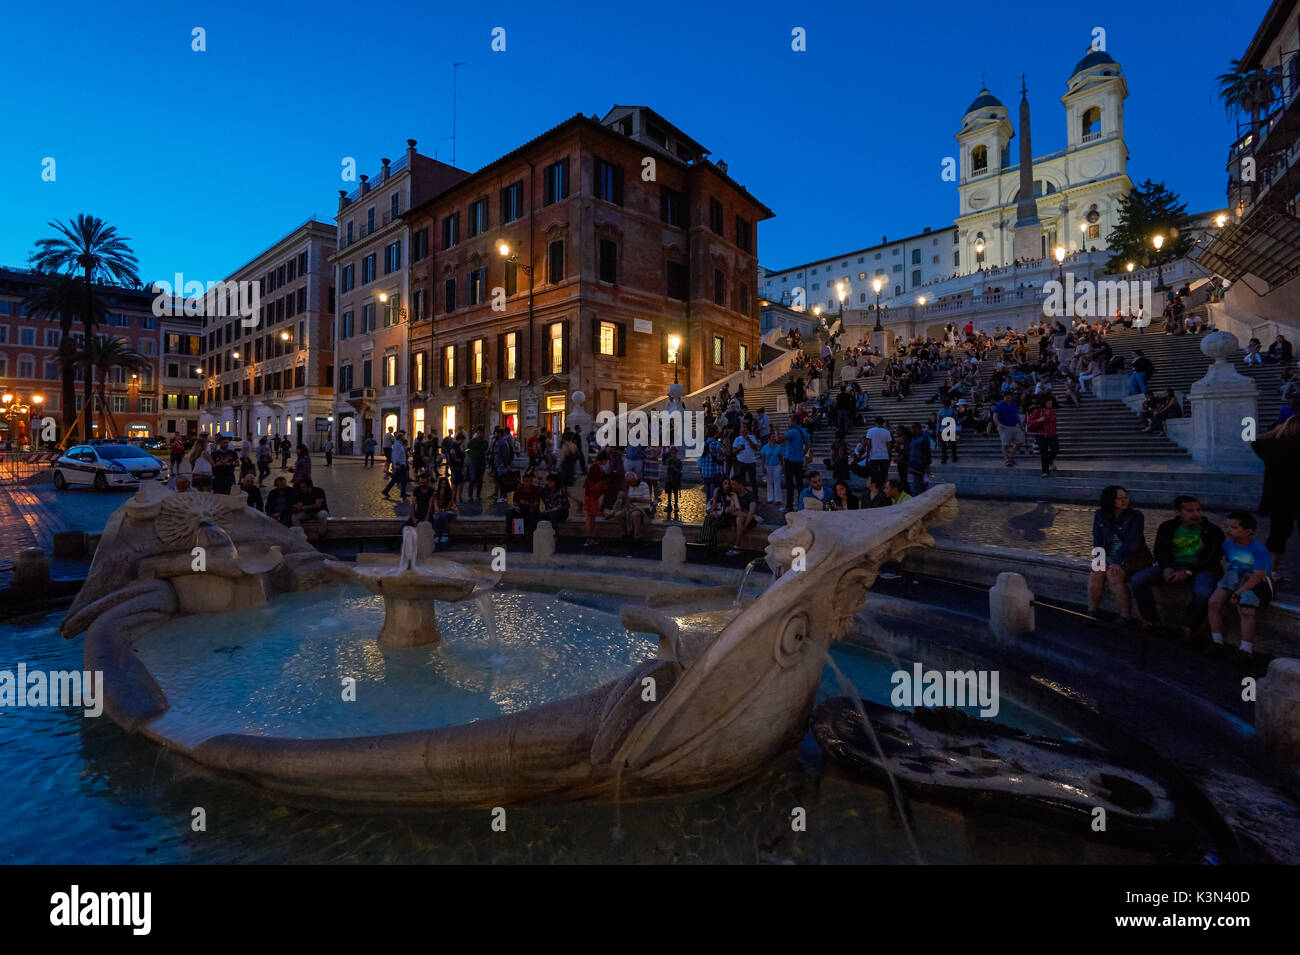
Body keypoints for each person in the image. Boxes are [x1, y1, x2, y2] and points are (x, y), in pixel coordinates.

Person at [1130, 495, 1225, 640]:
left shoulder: (1213, 531)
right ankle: (1151, 620)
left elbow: (1213, 558)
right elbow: (1160, 551)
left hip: (1202, 568)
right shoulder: (1167, 527)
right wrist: (1167, 568)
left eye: (1199, 510)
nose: (1196, 514)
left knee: (1204, 592)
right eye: (1190, 511)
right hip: (1173, 565)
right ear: (1178, 512)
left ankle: (1188, 626)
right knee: (1137, 580)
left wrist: (1188, 571)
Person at [1207, 511, 1273, 660]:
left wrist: (1238, 593)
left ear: (1248, 531)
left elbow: (1258, 576)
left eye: (1234, 527)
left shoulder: (1259, 550)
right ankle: (1217, 642)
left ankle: (1245, 650)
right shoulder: (1227, 544)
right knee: (1213, 602)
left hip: (1252, 581)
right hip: (1232, 576)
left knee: (1245, 609)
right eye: (1228, 526)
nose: (1229, 530)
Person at [1251, 414, 1300, 586]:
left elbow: (1253, 439)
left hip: (1279, 498)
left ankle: (1271, 571)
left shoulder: (1273, 446)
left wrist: (1273, 432)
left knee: (1277, 535)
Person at [1087, 485, 1146, 626]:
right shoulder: (1100, 515)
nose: (1124, 500)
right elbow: (1097, 539)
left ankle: (1126, 616)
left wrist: (1118, 562)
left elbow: (1132, 543)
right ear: (1109, 500)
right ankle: (1092, 611)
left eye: (1125, 497)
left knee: (1114, 575)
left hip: (1132, 557)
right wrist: (1100, 559)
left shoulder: (1135, 516)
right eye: (1119, 498)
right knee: (1096, 571)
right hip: (1110, 556)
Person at [724, 478, 759, 557]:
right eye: (731, 484)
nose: (732, 486)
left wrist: (745, 526)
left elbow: (752, 511)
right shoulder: (734, 494)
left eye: (734, 484)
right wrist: (731, 508)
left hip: (749, 520)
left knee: (740, 519)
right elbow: (732, 508)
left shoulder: (750, 495)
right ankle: (736, 547)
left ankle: (736, 546)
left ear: (740, 484)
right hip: (741, 516)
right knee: (732, 513)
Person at [582, 449, 609, 548]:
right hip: (591, 494)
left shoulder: (595, 466)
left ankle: (592, 536)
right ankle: (589, 537)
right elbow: (592, 481)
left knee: (592, 516)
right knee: (590, 517)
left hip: (591, 494)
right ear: (604, 459)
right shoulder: (596, 467)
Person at [1025, 398, 1058, 477]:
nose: (1050, 404)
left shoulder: (1053, 413)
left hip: (1052, 434)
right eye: (1049, 403)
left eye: (1051, 403)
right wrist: (1039, 420)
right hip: (1040, 435)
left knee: (1055, 449)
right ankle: (1045, 471)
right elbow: (1030, 421)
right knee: (1044, 453)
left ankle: (1050, 461)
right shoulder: (1038, 411)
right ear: (1045, 403)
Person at [783, 420, 811, 512]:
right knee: (800, 484)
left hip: (790, 460)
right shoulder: (804, 431)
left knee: (790, 484)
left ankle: (789, 506)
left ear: (794, 422)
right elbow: (808, 444)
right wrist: (802, 454)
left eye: (790, 421)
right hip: (799, 461)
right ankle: (801, 504)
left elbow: (779, 440)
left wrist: (776, 430)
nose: (789, 423)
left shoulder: (792, 431)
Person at [506, 470, 543, 538]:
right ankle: (509, 533)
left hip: (532, 509)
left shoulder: (536, 490)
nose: (528, 483)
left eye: (529, 481)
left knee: (531, 512)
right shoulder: (519, 489)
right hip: (521, 509)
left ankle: (530, 533)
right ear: (523, 481)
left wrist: (526, 503)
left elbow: (536, 504)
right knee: (509, 513)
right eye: (526, 481)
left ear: (532, 481)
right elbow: (515, 502)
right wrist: (516, 506)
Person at [993, 394, 1022, 467]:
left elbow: (1016, 414)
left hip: (1014, 426)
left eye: (1009, 397)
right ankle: (1007, 460)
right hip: (1004, 426)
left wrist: (1020, 423)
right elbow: (995, 416)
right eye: (1006, 397)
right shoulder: (1000, 404)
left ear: (1012, 397)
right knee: (1005, 444)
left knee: (1020, 442)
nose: (1008, 399)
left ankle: (1011, 454)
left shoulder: (1014, 404)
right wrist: (999, 424)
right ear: (1004, 398)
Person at [731, 422, 761, 490]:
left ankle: (755, 497)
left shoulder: (752, 437)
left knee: (753, 481)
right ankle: (743, 497)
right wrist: (740, 449)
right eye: (742, 427)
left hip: (751, 462)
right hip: (741, 462)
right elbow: (733, 451)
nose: (743, 429)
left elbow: (755, 448)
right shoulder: (737, 439)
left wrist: (748, 439)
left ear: (747, 429)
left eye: (744, 427)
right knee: (742, 481)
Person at [865, 416, 892, 488]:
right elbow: (889, 446)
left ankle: (875, 488)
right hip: (884, 456)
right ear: (882, 423)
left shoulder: (870, 431)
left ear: (875, 422)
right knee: (884, 474)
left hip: (874, 456)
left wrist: (867, 457)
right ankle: (885, 487)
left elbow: (869, 445)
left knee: (874, 474)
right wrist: (889, 456)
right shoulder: (887, 432)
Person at [382, 433, 409, 497]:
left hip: (401, 464)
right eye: (403, 437)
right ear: (400, 438)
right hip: (400, 465)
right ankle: (402, 493)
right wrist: (397, 464)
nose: (404, 438)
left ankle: (387, 490)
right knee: (401, 479)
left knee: (397, 479)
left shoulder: (398, 444)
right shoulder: (397, 445)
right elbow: (395, 455)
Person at [907, 423, 931, 493]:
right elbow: (911, 452)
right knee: (916, 484)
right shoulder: (913, 438)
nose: (910, 431)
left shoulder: (924, 439)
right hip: (914, 465)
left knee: (920, 486)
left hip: (921, 466)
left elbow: (927, 453)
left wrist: (927, 466)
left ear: (916, 429)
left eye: (912, 429)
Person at [466, 427, 488, 503]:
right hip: (473, 462)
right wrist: (470, 455)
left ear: (483, 434)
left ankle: (478, 495)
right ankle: (470, 496)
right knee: (472, 479)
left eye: (481, 433)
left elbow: (485, 450)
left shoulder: (485, 442)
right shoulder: (472, 441)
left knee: (480, 480)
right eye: (478, 433)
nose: (479, 434)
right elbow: (467, 449)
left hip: (481, 463)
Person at [662, 446, 683, 522]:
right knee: (669, 493)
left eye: (674, 453)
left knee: (675, 492)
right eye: (672, 453)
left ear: (676, 453)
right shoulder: (669, 460)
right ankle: (669, 504)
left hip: (676, 479)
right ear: (670, 453)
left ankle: (676, 505)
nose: (673, 454)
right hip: (669, 479)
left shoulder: (678, 461)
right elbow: (664, 463)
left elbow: (680, 470)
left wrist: (674, 467)